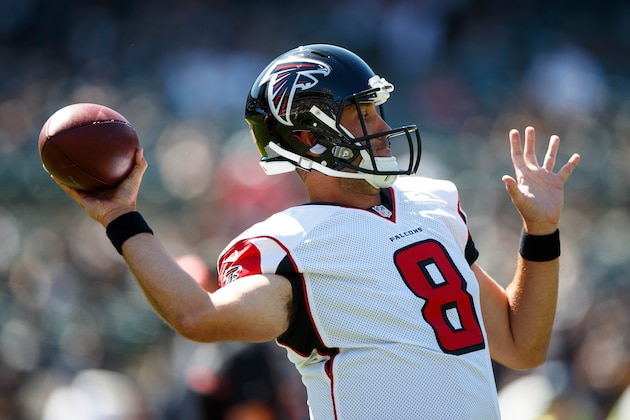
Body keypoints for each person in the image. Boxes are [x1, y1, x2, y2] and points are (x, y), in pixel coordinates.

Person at [54, 44, 580, 419]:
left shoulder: (433, 204)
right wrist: (120, 217)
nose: (381, 126)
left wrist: (541, 233)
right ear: (311, 136)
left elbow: (520, 346)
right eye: (364, 114)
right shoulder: (293, 244)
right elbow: (199, 316)